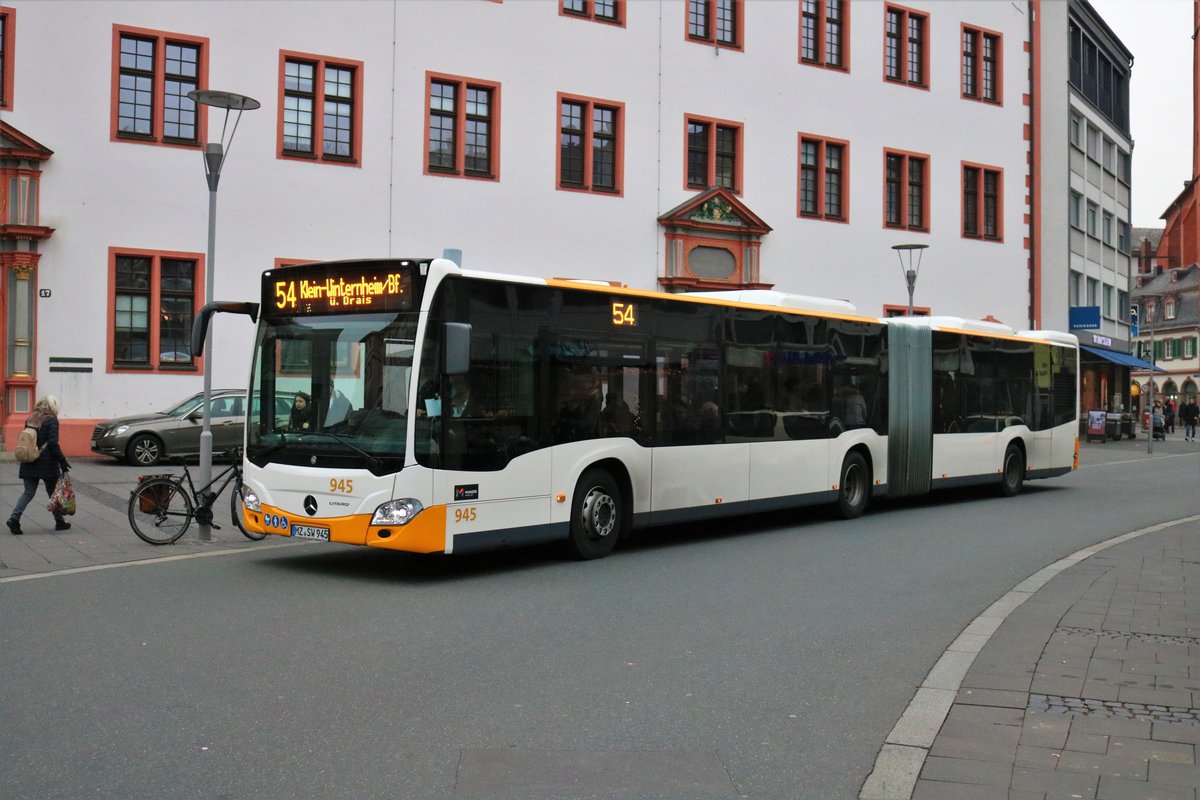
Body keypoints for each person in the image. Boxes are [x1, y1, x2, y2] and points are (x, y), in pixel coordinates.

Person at [8, 395, 71, 535]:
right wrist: (62, 461)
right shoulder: (52, 420)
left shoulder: (30, 418)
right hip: (47, 464)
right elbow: (53, 443)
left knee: (28, 492)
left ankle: (14, 518)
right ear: (53, 407)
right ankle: (59, 521)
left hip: (29, 461)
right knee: (53, 493)